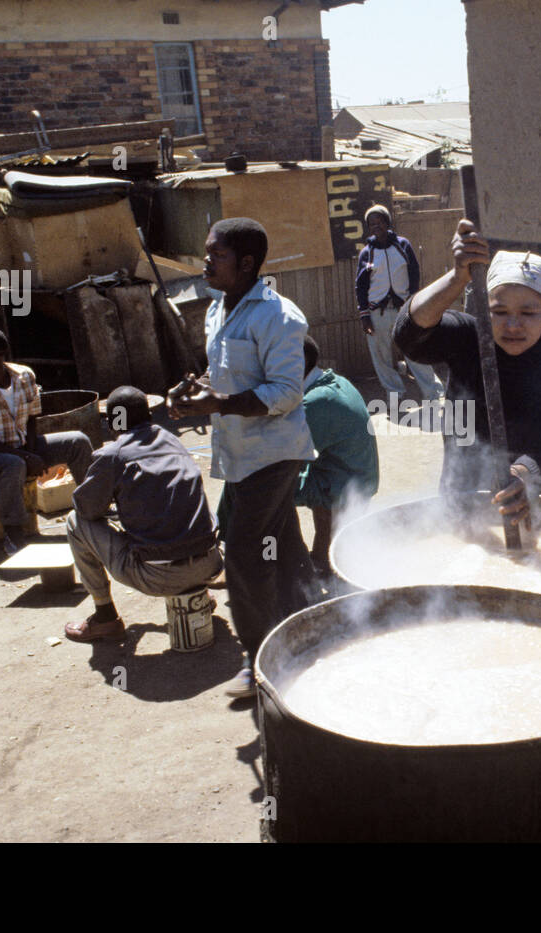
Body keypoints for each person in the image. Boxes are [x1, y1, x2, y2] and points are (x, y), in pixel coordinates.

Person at [167, 217, 315, 699]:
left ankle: (257, 659)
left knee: (245, 555)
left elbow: (287, 392)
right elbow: (223, 375)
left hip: (273, 453)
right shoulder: (217, 309)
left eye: (218, 254)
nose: (206, 260)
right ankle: (311, 626)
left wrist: (219, 404)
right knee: (285, 544)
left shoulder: (278, 316)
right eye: (207, 252)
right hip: (240, 452)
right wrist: (195, 392)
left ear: (247, 263)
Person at [393, 219, 541, 526]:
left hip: (528, 510)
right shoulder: (468, 339)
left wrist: (522, 476)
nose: (512, 325)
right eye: (499, 312)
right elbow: (409, 335)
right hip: (459, 501)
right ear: (485, 309)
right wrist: (458, 277)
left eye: (528, 313)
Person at [63, 387, 222, 642]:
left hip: (158, 578)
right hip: (210, 564)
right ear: (149, 415)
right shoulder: (173, 441)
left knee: (75, 523)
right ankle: (195, 592)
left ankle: (105, 618)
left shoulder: (111, 455)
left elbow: (87, 510)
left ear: (114, 421)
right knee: (181, 513)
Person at [0, 327, 92, 556]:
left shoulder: (24, 375)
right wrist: (26, 457)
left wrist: (32, 451)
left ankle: (92, 509)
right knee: (12, 464)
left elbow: (32, 418)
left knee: (78, 441)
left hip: (22, 449)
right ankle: (13, 532)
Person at [296, 334, 379, 574]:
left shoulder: (315, 402)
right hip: (355, 479)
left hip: (344, 486)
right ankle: (323, 558)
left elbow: (285, 454)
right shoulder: (333, 381)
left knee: (269, 484)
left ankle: (281, 560)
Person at [355, 204, 444, 402]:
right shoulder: (366, 253)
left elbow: (414, 273)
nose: (375, 227)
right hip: (377, 312)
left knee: (415, 351)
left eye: (379, 222)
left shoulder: (402, 245)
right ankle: (394, 396)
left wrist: (413, 301)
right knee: (382, 357)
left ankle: (434, 394)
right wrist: (364, 316)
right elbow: (360, 287)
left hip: (403, 309)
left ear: (387, 223)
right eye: (371, 224)